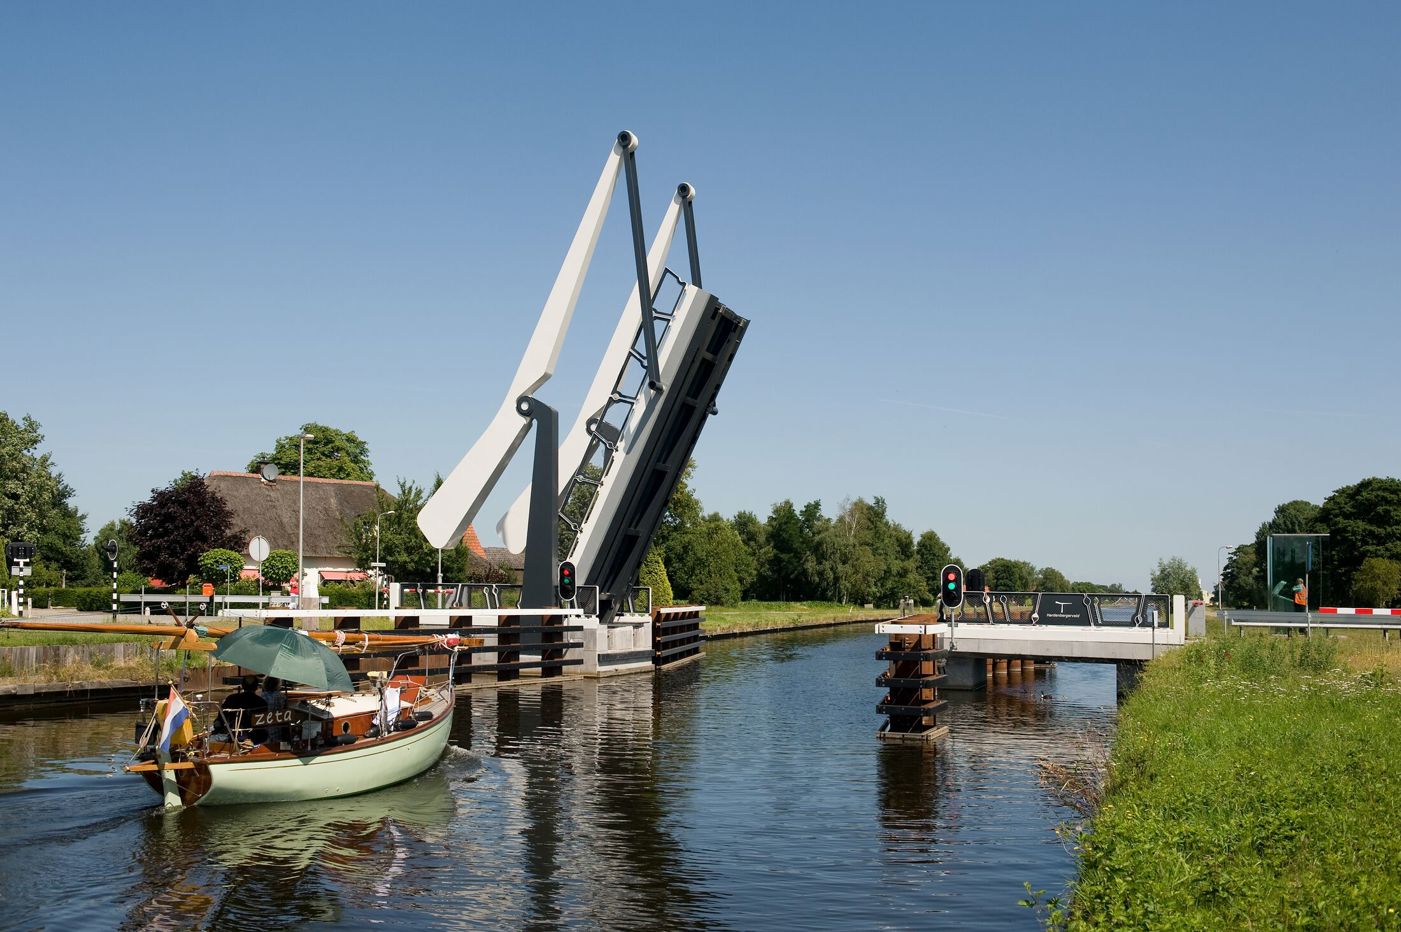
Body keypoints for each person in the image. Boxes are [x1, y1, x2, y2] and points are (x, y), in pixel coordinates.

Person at [217, 674, 268, 743]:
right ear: (256, 687)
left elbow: (221, 718)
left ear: (242, 686)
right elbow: (264, 724)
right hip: (255, 738)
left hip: (233, 735)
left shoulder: (230, 699)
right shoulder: (262, 702)